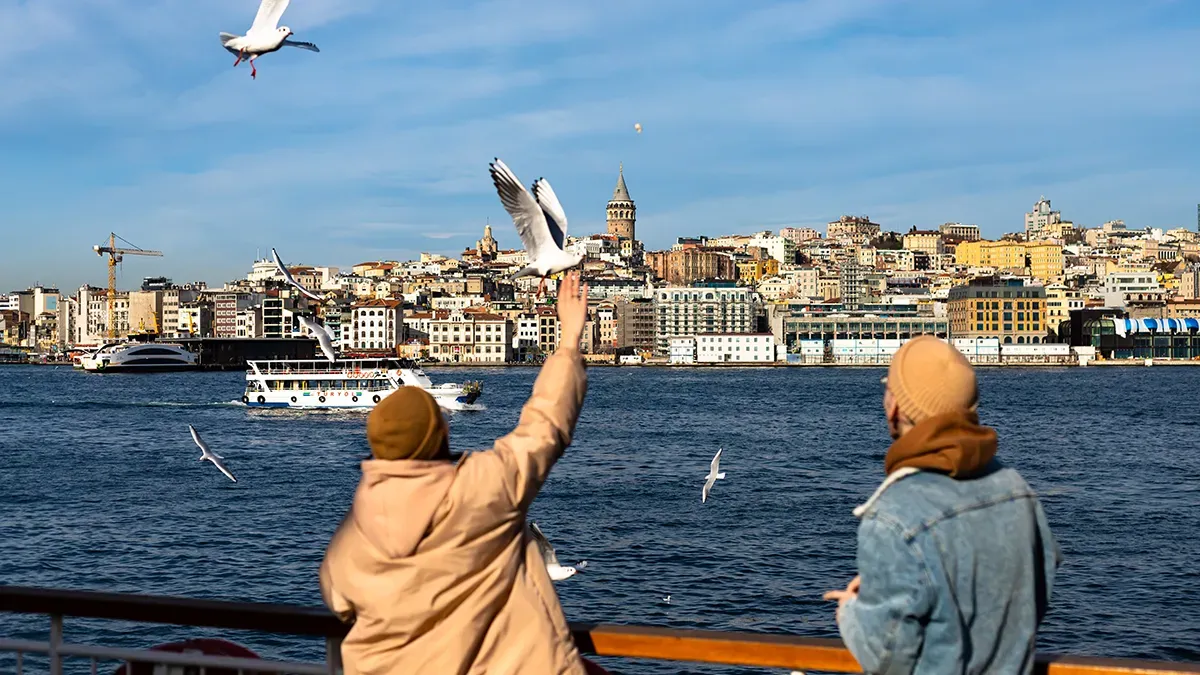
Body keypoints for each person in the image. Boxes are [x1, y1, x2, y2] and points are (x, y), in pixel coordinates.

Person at [320, 271, 596, 675]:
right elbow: (544, 429)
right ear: (442, 434)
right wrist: (569, 341)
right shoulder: (480, 490)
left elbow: (338, 600)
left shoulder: (352, 539)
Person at [824, 335, 1061, 674]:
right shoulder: (1015, 488)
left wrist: (852, 611)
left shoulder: (892, 515)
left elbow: (887, 657)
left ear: (894, 408)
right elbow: (1037, 590)